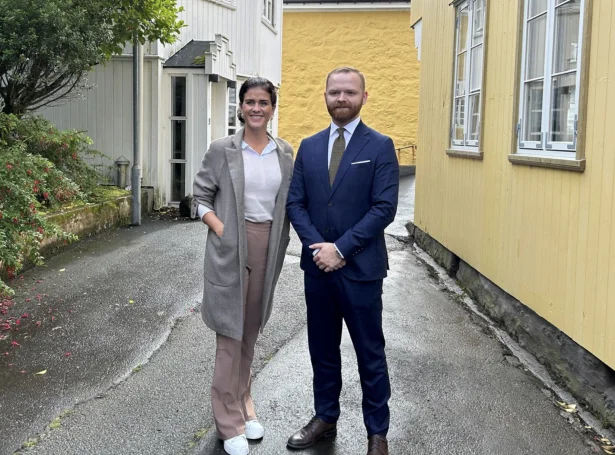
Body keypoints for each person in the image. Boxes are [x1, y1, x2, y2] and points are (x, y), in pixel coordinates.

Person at [286, 67, 399, 455]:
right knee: (322, 347)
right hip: (318, 270)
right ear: (325, 96)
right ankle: (325, 418)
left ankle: (377, 433)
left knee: (370, 352)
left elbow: (384, 208)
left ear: (364, 97)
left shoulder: (380, 146)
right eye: (335, 92)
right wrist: (320, 248)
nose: (341, 98)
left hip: (362, 270)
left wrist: (342, 249)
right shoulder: (310, 145)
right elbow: (295, 204)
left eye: (350, 92)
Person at [193, 77, 294, 455]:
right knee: (229, 335)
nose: (256, 108)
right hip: (230, 247)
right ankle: (228, 420)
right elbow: (200, 196)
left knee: (250, 332)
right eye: (249, 101)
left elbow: (289, 203)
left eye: (263, 102)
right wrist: (221, 229)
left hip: (268, 247)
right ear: (240, 107)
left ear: (272, 107)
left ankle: (244, 401)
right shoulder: (222, 150)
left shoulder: (284, 153)